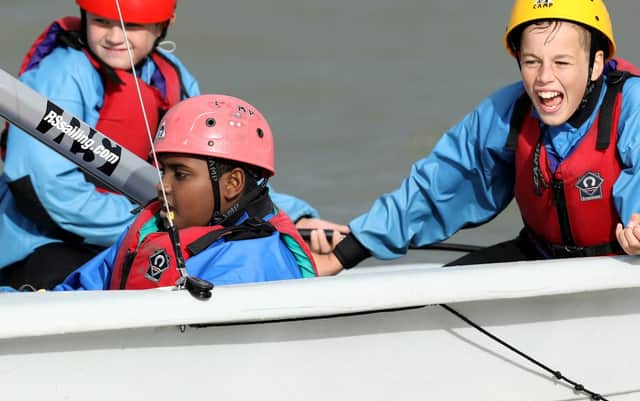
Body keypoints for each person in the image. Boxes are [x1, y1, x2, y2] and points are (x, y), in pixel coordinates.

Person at [0, 0, 334, 290]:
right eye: (102, 22)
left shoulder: (169, 74)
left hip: (138, 228)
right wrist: (155, 219)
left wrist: (294, 216)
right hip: (42, 247)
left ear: (163, 25)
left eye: (132, 26)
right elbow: (42, 191)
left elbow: (218, 169)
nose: (115, 37)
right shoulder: (62, 74)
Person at [312, 0, 640, 275]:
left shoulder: (632, 106)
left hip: (622, 266)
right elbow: (436, 188)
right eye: (531, 62)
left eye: (562, 62)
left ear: (596, 63)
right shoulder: (507, 112)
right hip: (541, 258)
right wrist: (345, 253)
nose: (544, 78)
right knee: (435, 298)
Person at [53, 94, 316, 291]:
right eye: (163, 170)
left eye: (180, 174)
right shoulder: (152, 227)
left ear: (232, 184)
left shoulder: (251, 264)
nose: (162, 185)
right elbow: (81, 289)